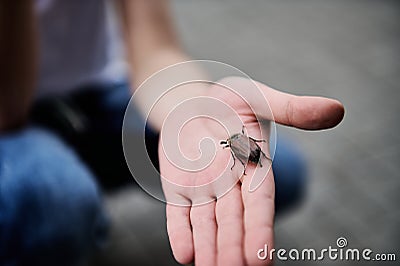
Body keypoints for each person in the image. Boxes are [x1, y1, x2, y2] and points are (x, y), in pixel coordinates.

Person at [0, 1, 344, 265]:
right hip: (12, 120)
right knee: (52, 200)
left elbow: (156, 51)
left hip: (99, 96)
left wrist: (192, 109)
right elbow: (8, 108)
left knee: (276, 172)